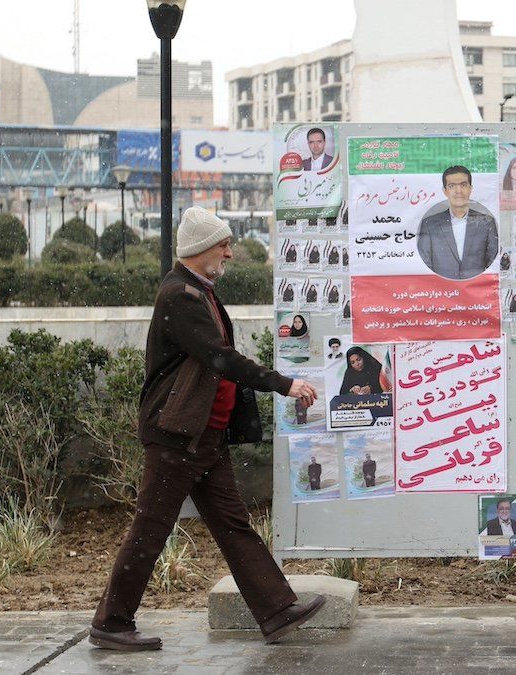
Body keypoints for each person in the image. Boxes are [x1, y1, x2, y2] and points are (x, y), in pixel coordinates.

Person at [90, 207, 324, 651]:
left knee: (233, 524)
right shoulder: (181, 295)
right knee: (150, 529)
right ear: (200, 250)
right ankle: (112, 623)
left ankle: (276, 610)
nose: (230, 253)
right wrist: (284, 384)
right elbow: (221, 358)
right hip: (177, 436)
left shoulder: (200, 291)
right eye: (224, 245)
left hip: (204, 437)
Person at [416, 165, 499, 281]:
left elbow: (494, 261)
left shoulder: (487, 222)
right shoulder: (429, 224)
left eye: (463, 185)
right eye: (452, 186)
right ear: (445, 191)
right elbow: (424, 264)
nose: (458, 191)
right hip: (442, 290)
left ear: (470, 188)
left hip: (477, 291)